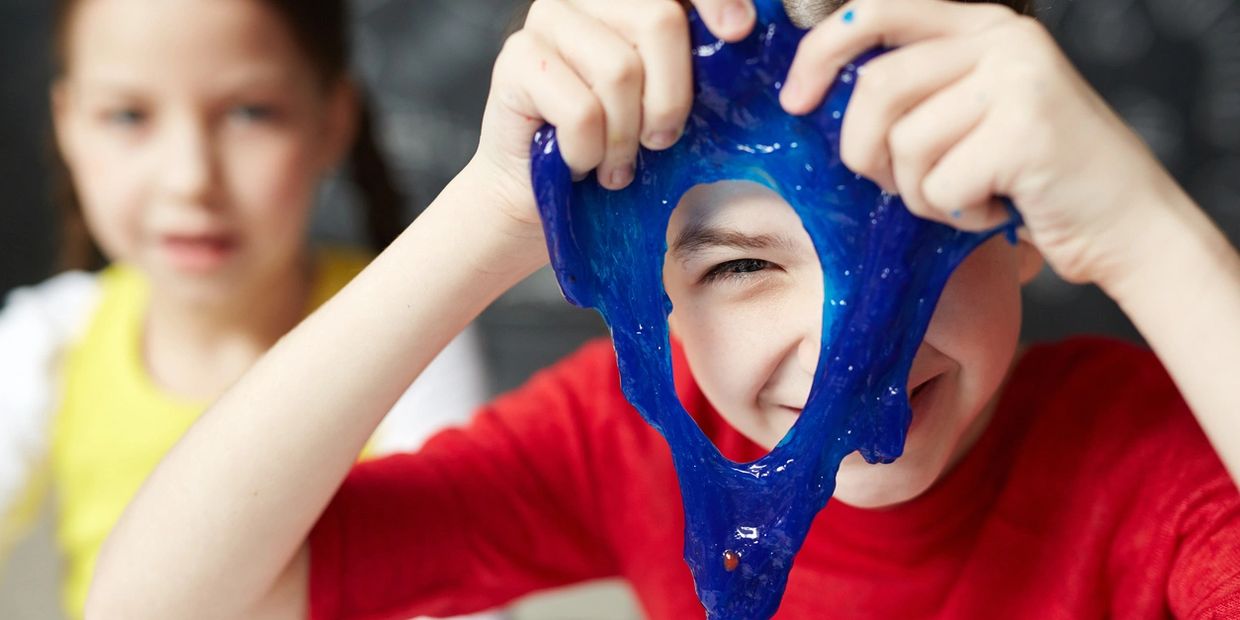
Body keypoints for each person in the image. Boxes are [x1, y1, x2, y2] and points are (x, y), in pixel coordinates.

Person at [89, 0, 1240, 617]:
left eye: (910, 231)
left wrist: (1149, 233)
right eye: (739, 267)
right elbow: (162, 601)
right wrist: (495, 206)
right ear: (652, 298)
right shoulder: (627, 439)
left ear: (1021, 215)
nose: (844, 345)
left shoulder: (1153, 463)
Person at [0, 0, 492, 618]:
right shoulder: (47, 342)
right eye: (128, 115)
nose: (189, 179)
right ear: (67, 123)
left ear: (332, 122)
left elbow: (462, 594)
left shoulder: (421, 332)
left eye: (248, 113)